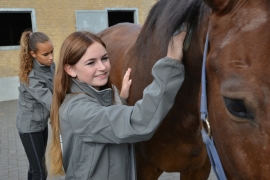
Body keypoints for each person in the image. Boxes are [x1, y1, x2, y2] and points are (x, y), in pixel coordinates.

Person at [49, 30, 186, 180]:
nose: (102, 67)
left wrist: (120, 101)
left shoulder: (99, 97)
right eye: (91, 62)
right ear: (70, 69)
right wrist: (171, 64)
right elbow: (140, 121)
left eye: (104, 58)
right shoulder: (78, 110)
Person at [16, 30, 55, 180]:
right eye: (46, 54)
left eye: (52, 52)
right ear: (33, 54)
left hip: (41, 124)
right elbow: (51, 101)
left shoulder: (50, 65)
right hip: (29, 128)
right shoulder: (30, 77)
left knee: (35, 167)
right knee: (40, 171)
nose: (51, 57)